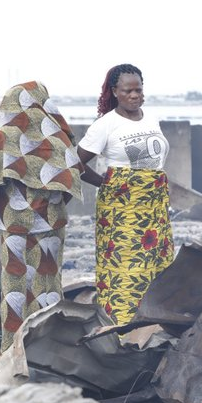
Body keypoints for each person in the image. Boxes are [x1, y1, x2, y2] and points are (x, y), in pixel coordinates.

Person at [0, 81, 84, 352]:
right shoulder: (57, 133)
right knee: (48, 283)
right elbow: (71, 176)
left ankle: (14, 349)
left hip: (12, 223)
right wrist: (53, 206)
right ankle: (48, 348)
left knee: (15, 288)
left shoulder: (3, 132)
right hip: (51, 222)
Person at [76, 64, 174, 325]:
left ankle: (153, 320)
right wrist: (106, 184)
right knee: (126, 266)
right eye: (127, 90)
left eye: (138, 90)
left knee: (156, 262)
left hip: (154, 206)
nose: (134, 95)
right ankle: (121, 324)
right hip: (122, 208)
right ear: (115, 92)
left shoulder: (151, 119)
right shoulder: (106, 124)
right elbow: (75, 163)